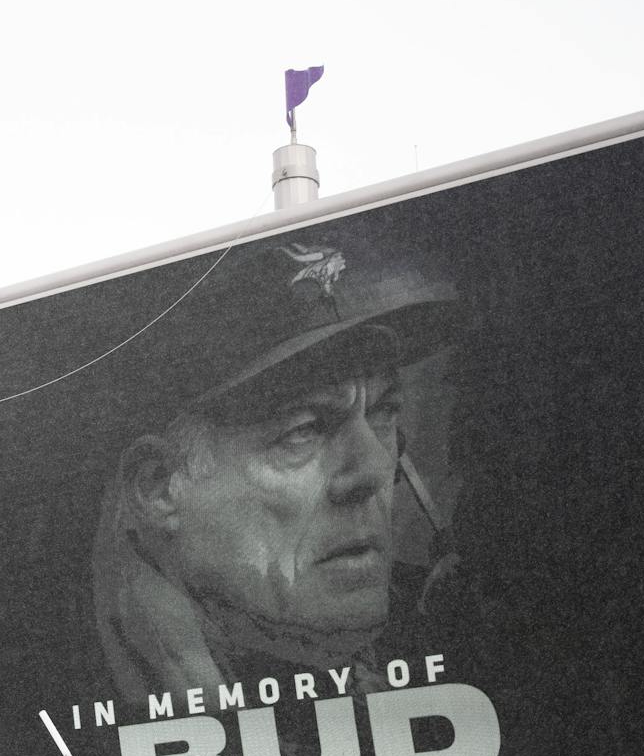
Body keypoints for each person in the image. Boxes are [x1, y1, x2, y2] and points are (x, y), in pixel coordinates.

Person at [92, 231, 461, 706]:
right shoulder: (88, 695)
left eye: (383, 412)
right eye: (303, 430)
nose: (373, 470)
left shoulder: (450, 617)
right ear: (160, 488)